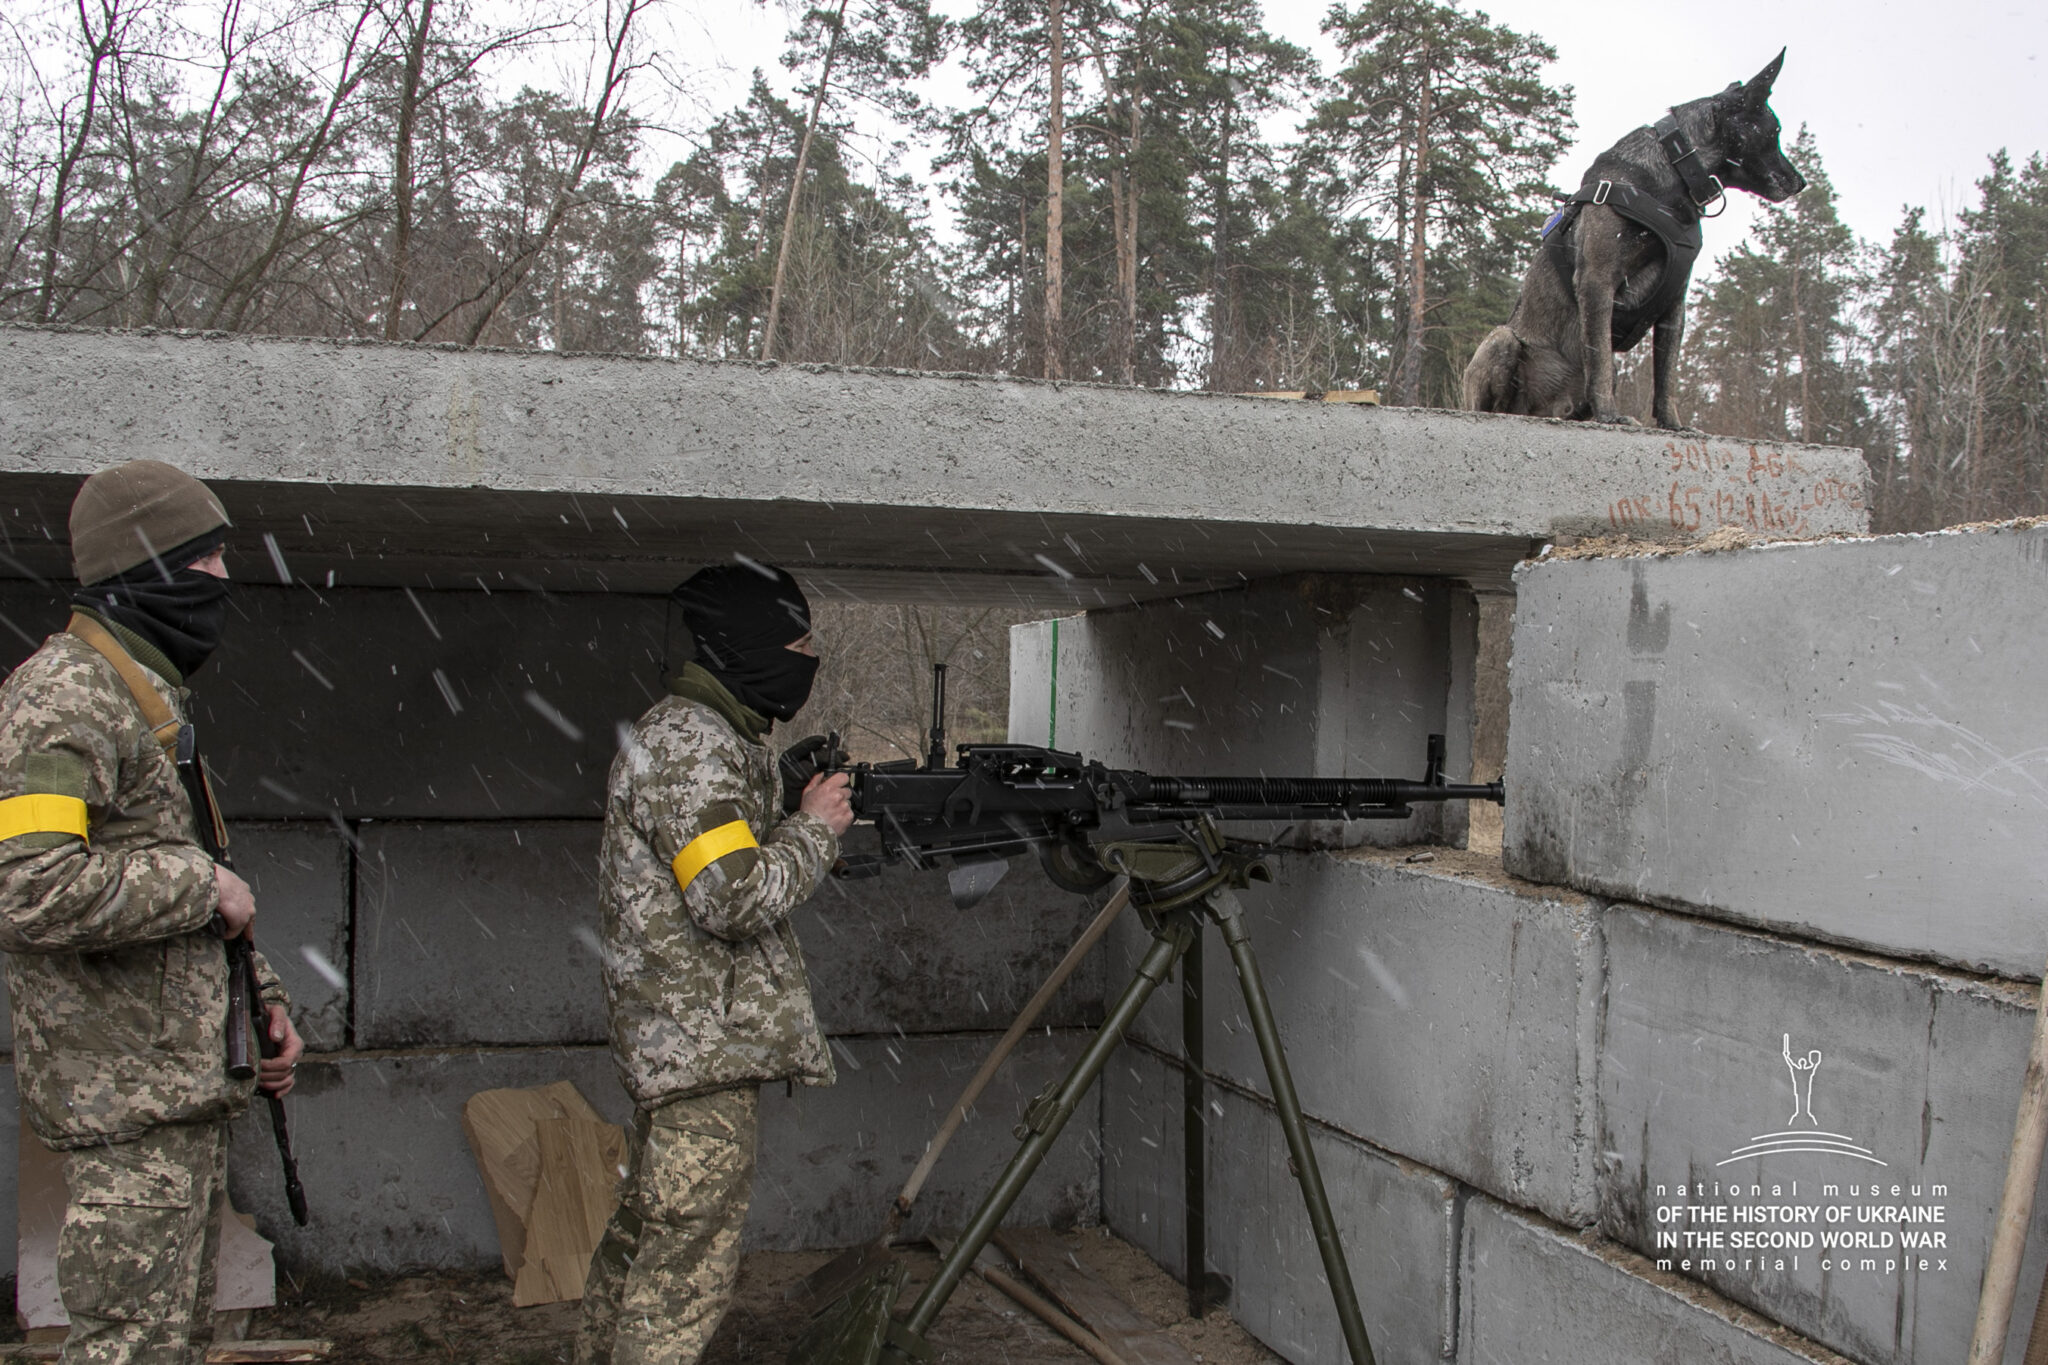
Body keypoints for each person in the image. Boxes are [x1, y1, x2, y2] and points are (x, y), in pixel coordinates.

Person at [0, 459, 304, 1365]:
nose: (221, 580)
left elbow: (194, 895)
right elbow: (29, 884)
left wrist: (263, 999)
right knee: (128, 1348)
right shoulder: (67, 696)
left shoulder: (146, 698)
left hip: (173, 1099)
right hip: (123, 1109)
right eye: (204, 558)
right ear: (151, 568)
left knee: (169, 1344)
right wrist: (199, 886)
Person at [579, 561, 854, 1365]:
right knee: (682, 1278)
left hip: (687, 1051)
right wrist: (814, 830)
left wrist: (778, 792)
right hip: (698, 1054)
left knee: (641, 1247)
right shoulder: (691, 746)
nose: (808, 659)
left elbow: (714, 850)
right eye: (798, 643)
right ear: (747, 647)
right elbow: (729, 896)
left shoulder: (701, 737)